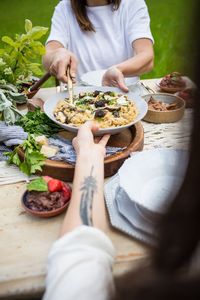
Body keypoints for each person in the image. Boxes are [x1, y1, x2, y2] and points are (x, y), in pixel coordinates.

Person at [43, 0, 154, 92]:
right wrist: (58, 54)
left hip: (125, 95)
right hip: (79, 98)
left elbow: (147, 57)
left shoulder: (132, 3)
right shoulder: (64, 8)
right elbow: (47, 56)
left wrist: (118, 69)